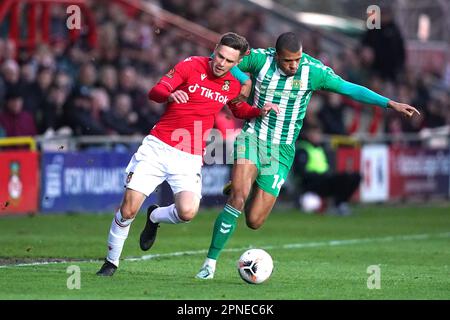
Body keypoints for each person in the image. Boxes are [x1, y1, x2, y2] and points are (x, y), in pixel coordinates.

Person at [196, 32, 420, 279]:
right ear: (277, 55)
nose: (294, 65)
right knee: (237, 198)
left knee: (254, 221)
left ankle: (244, 184)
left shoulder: (313, 71)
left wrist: (390, 103)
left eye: (297, 59)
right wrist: (243, 80)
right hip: (253, 137)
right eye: (288, 61)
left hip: (281, 150)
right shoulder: (260, 59)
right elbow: (219, 59)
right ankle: (210, 263)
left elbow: (349, 88)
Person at [96, 32, 279, 276]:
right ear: (215, 49)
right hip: (157, 147)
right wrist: (169, 95)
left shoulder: (233, 84)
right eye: (219, 55)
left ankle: (155, 217)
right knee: (128, 210)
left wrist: (259, 111)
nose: (220, 63)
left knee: (187, 212)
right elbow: (155, 91)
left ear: (237, 63)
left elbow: (238, 110)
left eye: (228, 61)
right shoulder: (191, 65)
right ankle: (111, 262)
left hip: (189, 156)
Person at [293, 124, 361, 215]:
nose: (317, 136)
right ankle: (337, 204)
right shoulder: (303, 149)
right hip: (311, 183)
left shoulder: (321, 148)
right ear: (308, 135)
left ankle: (340, 203)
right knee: (344, 179)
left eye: (318, 133)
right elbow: (300, 171)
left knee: (355, 176)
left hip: (324, 179)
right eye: (314, 134)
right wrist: (317, 175)